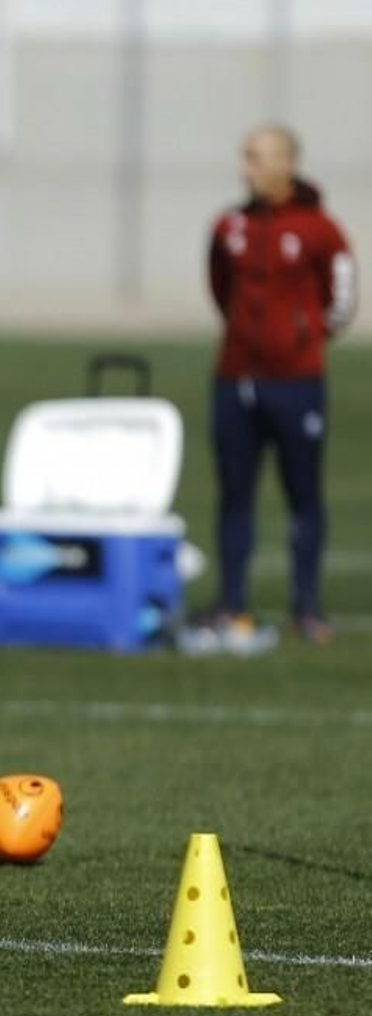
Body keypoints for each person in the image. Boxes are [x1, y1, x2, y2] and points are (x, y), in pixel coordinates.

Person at [203, 124, 355, 650]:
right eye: (245, 156)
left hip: (297, 383)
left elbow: (342, 298)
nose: (246, 168)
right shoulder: (230, 226)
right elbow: (221, 287)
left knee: (303, 494)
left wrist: (302, 339)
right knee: (235, 494)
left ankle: (307, 606)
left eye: (256, 157)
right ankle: (231, 601)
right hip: (235, 380)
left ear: (286, 163)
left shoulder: (320, 230)